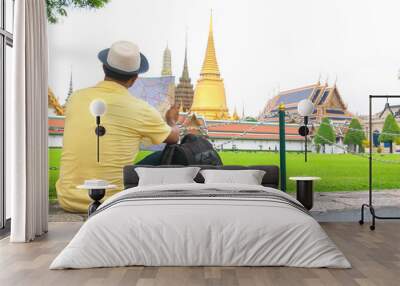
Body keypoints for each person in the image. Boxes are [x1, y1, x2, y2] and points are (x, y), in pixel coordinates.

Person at [56, 41, 180, 212]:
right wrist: (171, 120)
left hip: (68, 199)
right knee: (167, 154)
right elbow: (174, 138)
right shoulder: (140, 108)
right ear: (135, 78)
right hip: (112, 201)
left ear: (104, 68)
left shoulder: (76, 98)